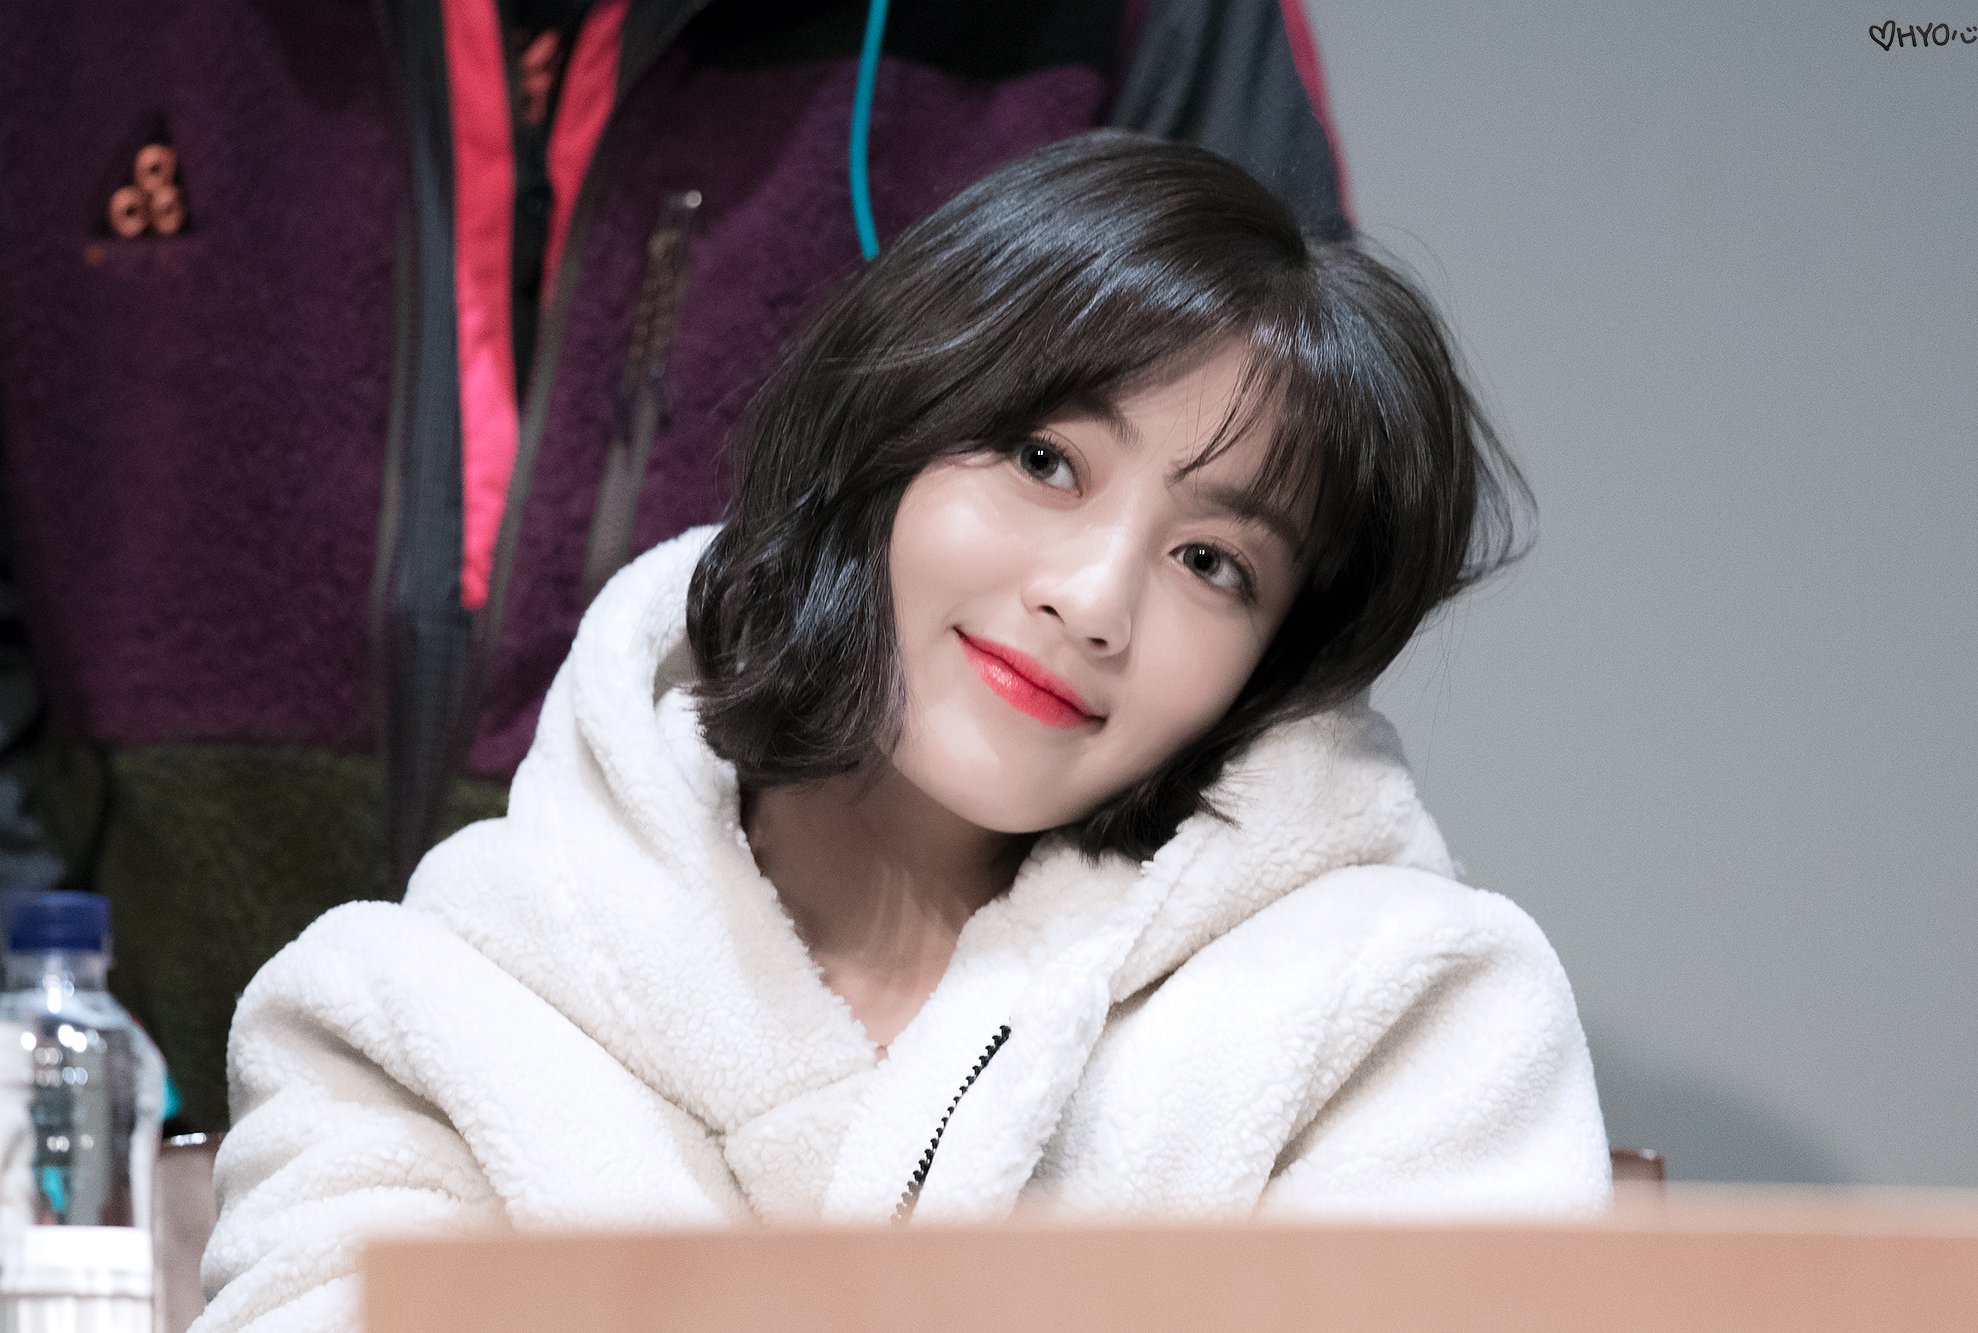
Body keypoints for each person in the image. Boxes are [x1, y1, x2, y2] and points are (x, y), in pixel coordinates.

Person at [193, 134, 1609, 1333]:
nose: (1093, 600)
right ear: (884, 436)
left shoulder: (1402, 1008)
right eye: (1047, 461)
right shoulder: (419, 1013)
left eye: (1212, 562)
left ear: (1272, 661)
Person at [0, 0, 1355, 1137]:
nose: (1093, 596)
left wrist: (978, 1120)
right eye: (1043, 460)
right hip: (89, 1131)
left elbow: (1251, 513)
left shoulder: (1137, 23)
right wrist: (51, 1083)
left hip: (886, 1172)